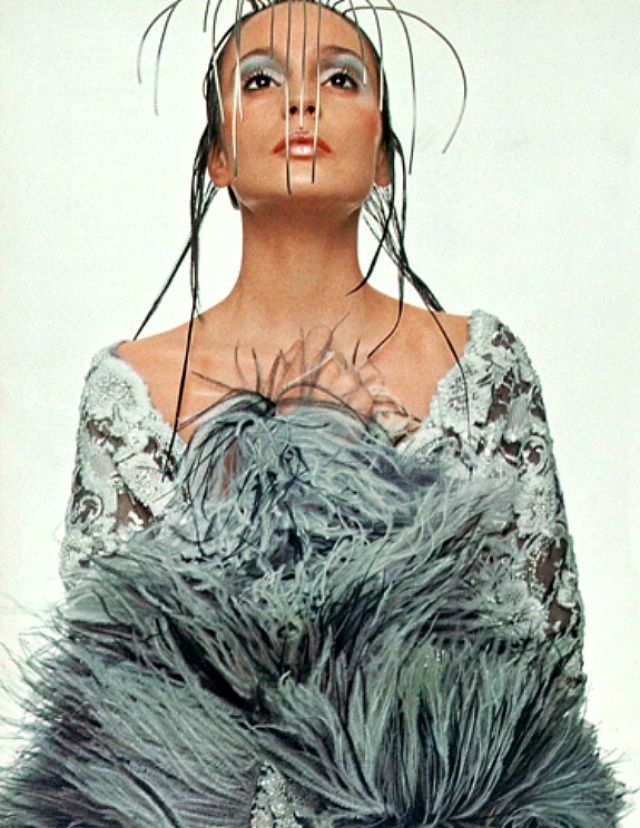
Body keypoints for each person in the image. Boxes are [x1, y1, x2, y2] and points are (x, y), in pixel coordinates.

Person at [0, 1, 632, 825]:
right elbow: (109, 708)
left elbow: (546, 673)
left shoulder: (479, 366)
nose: (303, 101)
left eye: (340, 78)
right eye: (261, 81)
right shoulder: (132, 386)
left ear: (383, 159)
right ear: (218, 157)